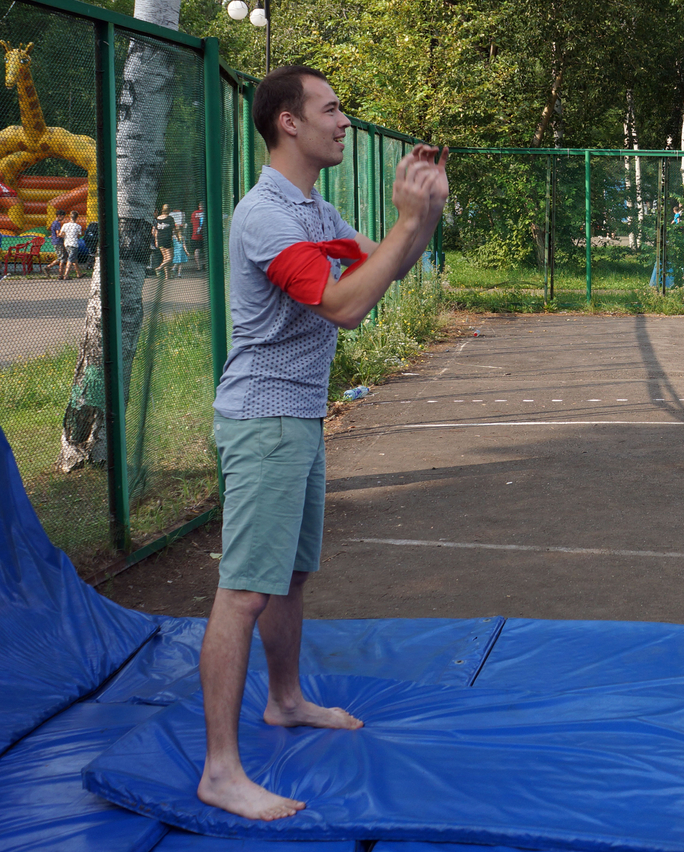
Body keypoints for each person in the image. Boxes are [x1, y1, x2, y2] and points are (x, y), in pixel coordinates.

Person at [200, 63, 447, 821]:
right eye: (332, 109)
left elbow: (384, 267)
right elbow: (343, 304)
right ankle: (219, 770)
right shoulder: (266, 216)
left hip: (298, 419)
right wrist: (407, 223)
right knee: (243, 592)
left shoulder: (313, 208)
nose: (344, 121)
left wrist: (423, 214)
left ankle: (284, 701)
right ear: (288, 122)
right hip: (263, 421)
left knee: (291, 578)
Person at [59, 210, 84, 280]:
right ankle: (66, 275)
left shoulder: (65, 225)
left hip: (66, 243)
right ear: (77, 218)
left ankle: (79, 273)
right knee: (70, 259)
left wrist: (66, 236)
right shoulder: (78, 226)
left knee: (74, 259)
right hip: (74, 244)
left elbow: (61, 234)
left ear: (70, 217)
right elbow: (79, 236)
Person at [153, 206, 177, 278]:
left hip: (160, 239)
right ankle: (159, 268)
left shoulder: (157, 219)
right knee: (170, 258)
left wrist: (156, 240)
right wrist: (176, 236)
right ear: (169, 210)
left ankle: (167, 275)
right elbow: (174, 229)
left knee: (165, 257)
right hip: (167, 239)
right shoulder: (170, 219)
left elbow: (154, 231)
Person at [191, 201, 206, 272]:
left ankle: (198, 266)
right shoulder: (206, 212)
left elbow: (192, 223)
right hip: (205, 235)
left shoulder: (194, 213)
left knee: (197, 250)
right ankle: (206, 264)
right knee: (206, 250)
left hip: (195, 235)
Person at [49, 209, 65, 275]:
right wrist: (64, 235)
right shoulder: (58, 223)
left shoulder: (53, 222)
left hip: (55, 241)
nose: (63, 218)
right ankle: (48, 267)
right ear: (59, 216)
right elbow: (58, 234)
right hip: (58, 242)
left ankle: (60, 273)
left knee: (61, 257)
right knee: (61, 257)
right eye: (62, 216)